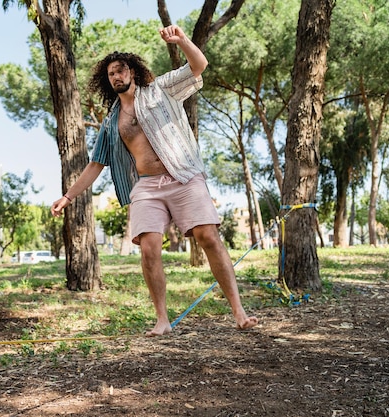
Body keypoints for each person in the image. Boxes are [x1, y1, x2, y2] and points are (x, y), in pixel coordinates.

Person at [51, 25, 258, 336]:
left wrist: (183, 40)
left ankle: (239, 312)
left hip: (184, 175)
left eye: (120, 70)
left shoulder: (162, 89)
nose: (116, 77)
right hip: (147, 186)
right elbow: (96, 165)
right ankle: (162, 319)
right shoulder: (111, 122)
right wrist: (68, 196)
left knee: (209, 237)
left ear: (133, 72)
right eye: (111, 74)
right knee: (149, 249)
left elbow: (198, 66)